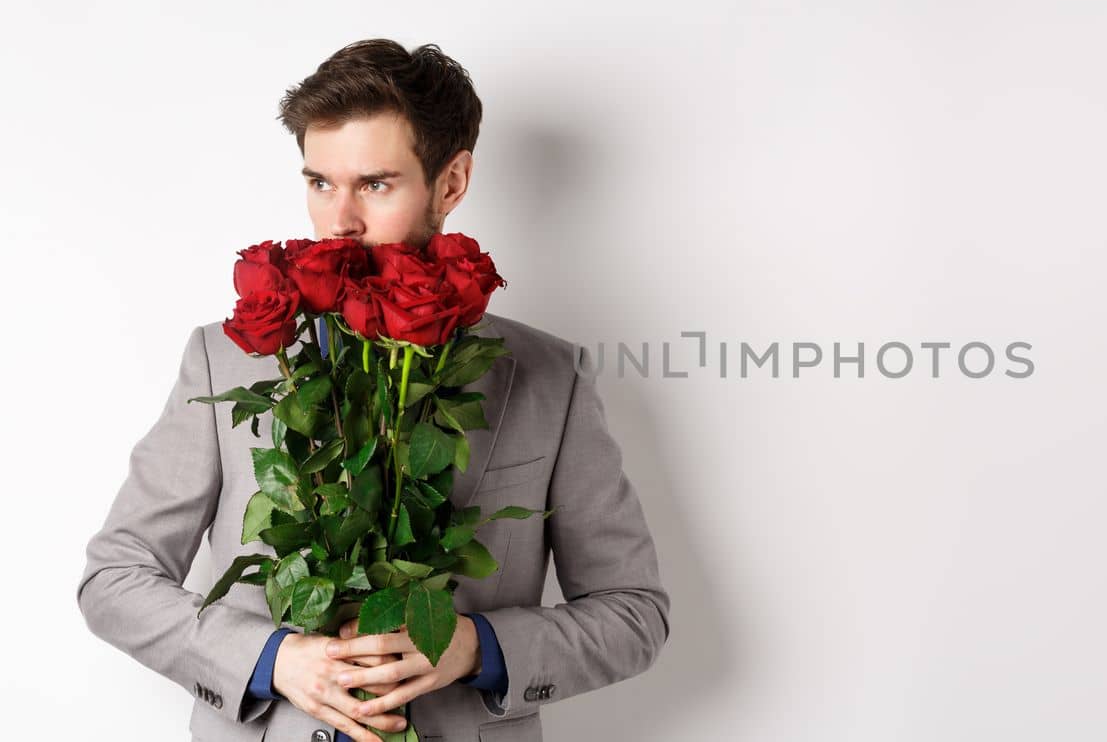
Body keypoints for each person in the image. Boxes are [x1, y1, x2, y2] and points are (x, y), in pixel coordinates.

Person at [77, 38, 671, 742]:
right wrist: (273, 660)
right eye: (320, 182)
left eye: (376, 184)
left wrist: (477, 648)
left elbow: (635, 613)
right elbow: (113, 580)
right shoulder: (222, 360)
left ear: (450, 184)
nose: (340, 220)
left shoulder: (549, 376)